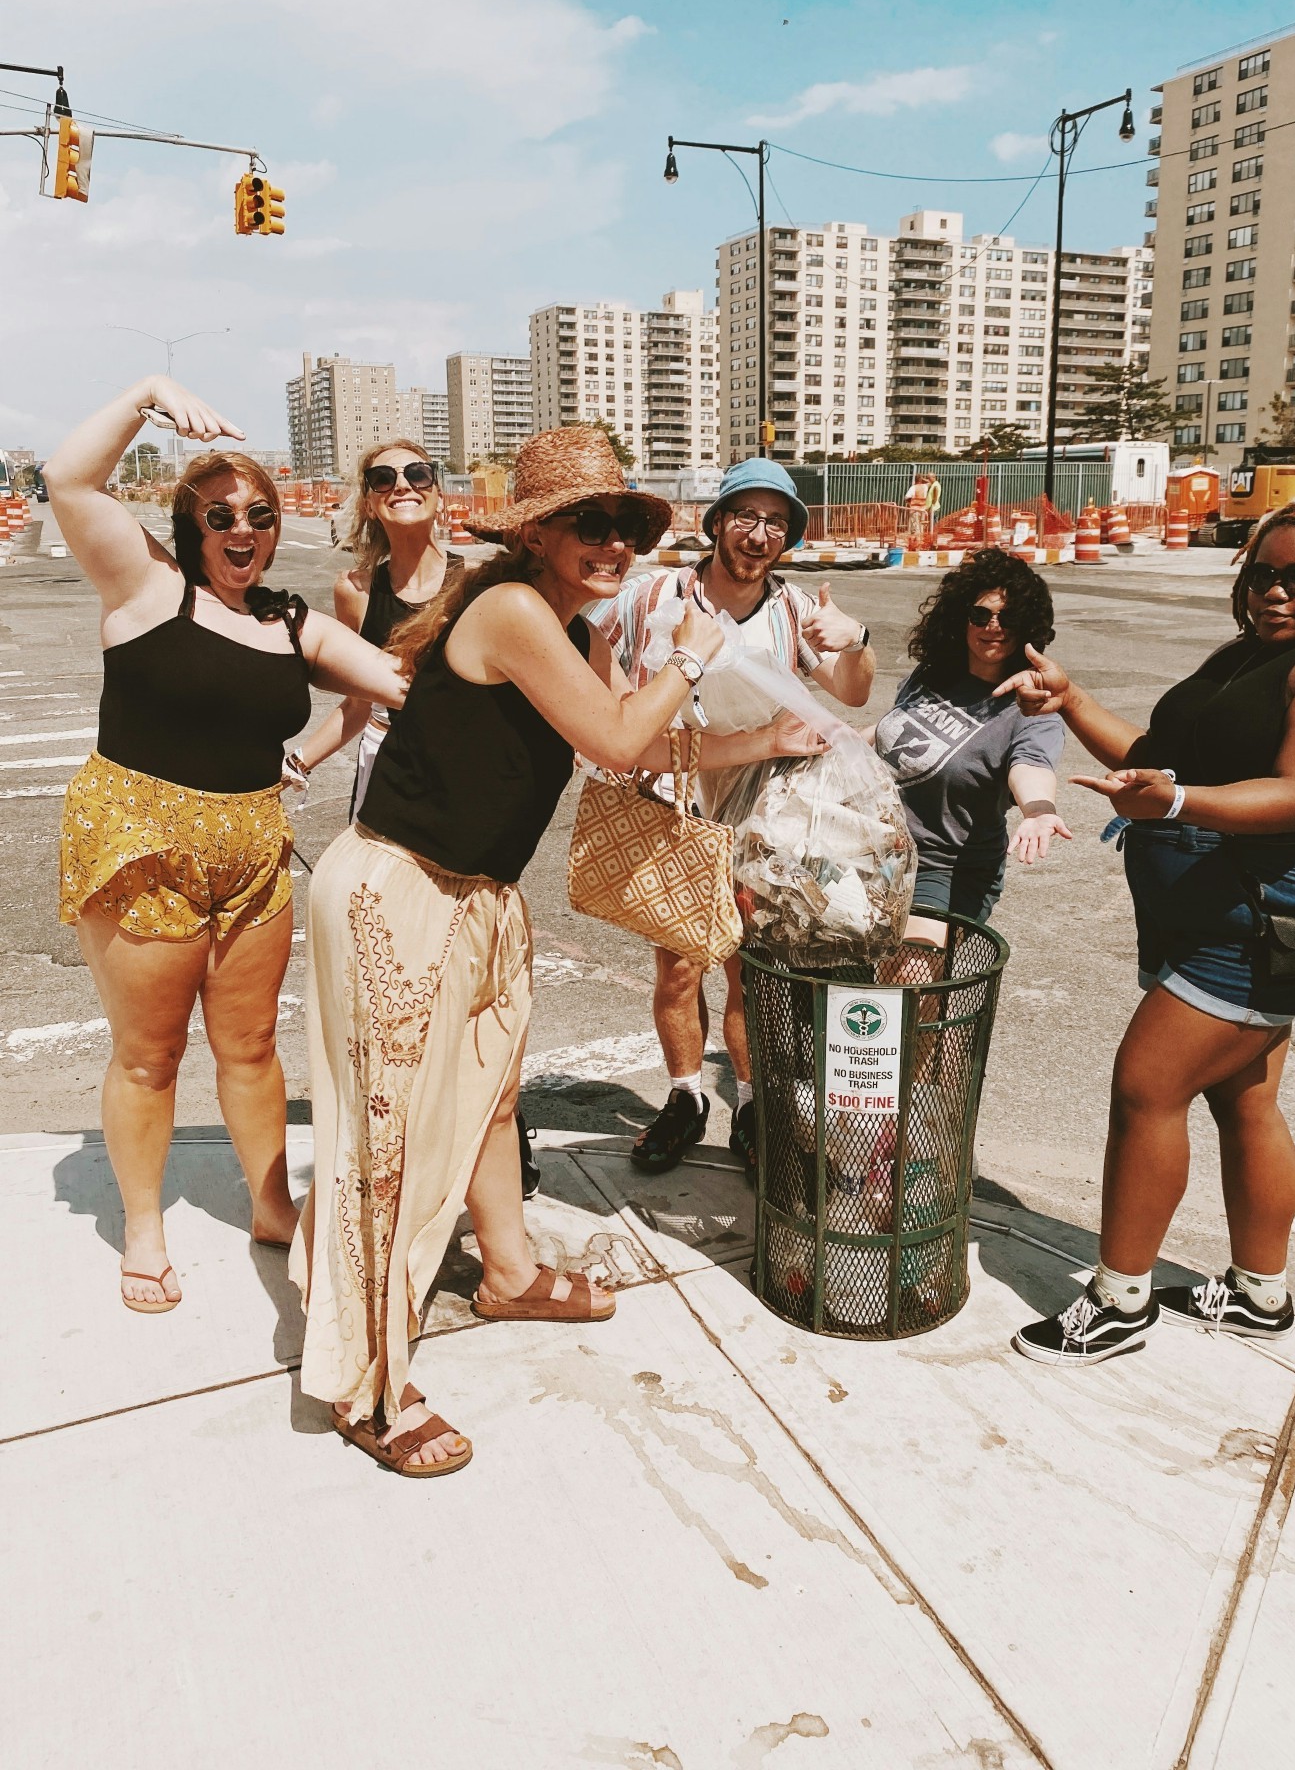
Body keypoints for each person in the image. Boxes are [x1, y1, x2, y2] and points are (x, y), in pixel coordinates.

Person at [292, 426, 734, 1477]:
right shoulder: (511, 612)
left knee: (490, 1095)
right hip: (399, 888)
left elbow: (622, 736)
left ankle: (510, 1271)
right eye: (590, 525)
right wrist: (691, 653)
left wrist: (766, 743)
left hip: (479, 896)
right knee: (387, 1140)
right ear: (537, 535)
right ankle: (367, 1380)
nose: (614, 544)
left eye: (625, 526)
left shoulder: (566, 634)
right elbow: (625, 739)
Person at [1007, 500, 1295, 1366]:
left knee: (1146, 1086)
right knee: (1245, 1096)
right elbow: (1154, 760)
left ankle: (1119, 1301)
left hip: (1268, 909)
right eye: (1262, 573)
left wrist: (1181, 804)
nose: (1276, 591)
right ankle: (1258, 1294)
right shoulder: (1255, 657)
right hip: (1220, 903)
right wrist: (1072, 699)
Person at [47, 378, 408, 1315]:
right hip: (142, 846)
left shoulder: (294, 624)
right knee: (148, 1054)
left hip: (252, 854)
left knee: (249, 1046)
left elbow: (405, 683)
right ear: (189, 524)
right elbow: (69, 481)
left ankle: (271, 1206)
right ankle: (143, 1227)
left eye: (260, 513)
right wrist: (144, 397)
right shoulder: (144, 588)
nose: (243, 529)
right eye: (221, 515)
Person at [590, 458, 876, 1176]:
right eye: (744, 516)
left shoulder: (789, 611)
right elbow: (588, 651)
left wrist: (856, 636)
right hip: (674, 799)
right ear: (716, 523)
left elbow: (853, 690)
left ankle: (749, 1102)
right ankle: (687, 1098)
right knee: (681, 965)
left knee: (750, 969)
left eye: (776, 522)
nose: (758, 533)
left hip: (762, 807)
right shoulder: (653, 595)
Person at [873, 548, 1070, 949]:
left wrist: (1039, 811)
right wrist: (821, 739)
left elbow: (1030, 764)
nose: (993, 627)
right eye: (981, 615)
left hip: (944, 868)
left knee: (910, 974)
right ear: (962, 618)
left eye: (1008, 618)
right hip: (877, 850)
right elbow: (891, 731)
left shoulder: (1031, 702)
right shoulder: (933, 674)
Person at [297, 439, 463, 816]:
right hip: (385, 763)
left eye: (418, 475)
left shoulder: (477, 585)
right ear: (369, 505)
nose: (402, 486)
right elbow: (359, 702)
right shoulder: (355, 591)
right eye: (383, 479)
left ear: (438, 495)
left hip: (460, 767)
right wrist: (298, 761)